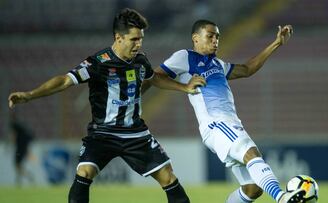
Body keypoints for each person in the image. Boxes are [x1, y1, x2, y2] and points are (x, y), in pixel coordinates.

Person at [8, 8, 206, 203]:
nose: (139, 44)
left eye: (141, 39)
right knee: (84, 173)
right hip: (102, 133)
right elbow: (64, 81)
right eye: (134, 39)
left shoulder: (140, 60)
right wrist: (29, 95)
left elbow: (154, 79)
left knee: (168, 177)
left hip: (135, 134)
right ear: (118, 37)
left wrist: (185, 87)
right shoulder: (98, 63)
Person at [151, 20, 305, 203]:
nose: (215, 40)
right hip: (216, 123)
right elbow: (155, 76)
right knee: (252, 153)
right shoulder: (185, 57)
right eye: (210, 36)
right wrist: (184, 87)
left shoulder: (218, 64)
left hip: (230, 124)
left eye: (217, 37)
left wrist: (276, 43)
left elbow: (247, 69)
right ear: (195, 38)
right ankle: (282, 198)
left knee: (253, 189)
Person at [9, 112, 34, 185]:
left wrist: (10, 145)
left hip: (19, 148)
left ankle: (27, 176)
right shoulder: (21, 126)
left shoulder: (14, 125)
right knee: (18, 165)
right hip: (23, 147)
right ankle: (19, 180)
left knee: (17, 165)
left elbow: (13, 136)